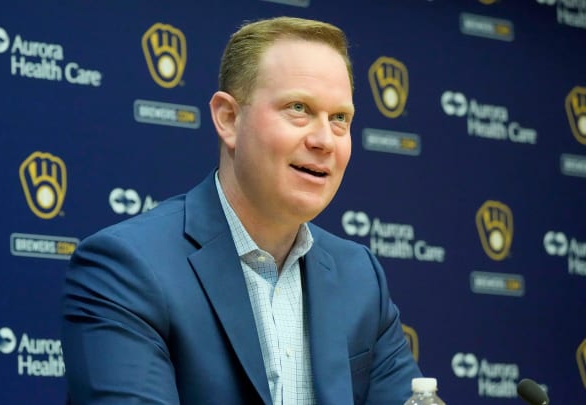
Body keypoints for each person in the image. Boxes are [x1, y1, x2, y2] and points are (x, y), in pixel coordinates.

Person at [62, 16, 422, 404]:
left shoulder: (360, 278)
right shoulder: (127, 267)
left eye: (339, 119)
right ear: (228, 119)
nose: (324, 141)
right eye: (298, 108)